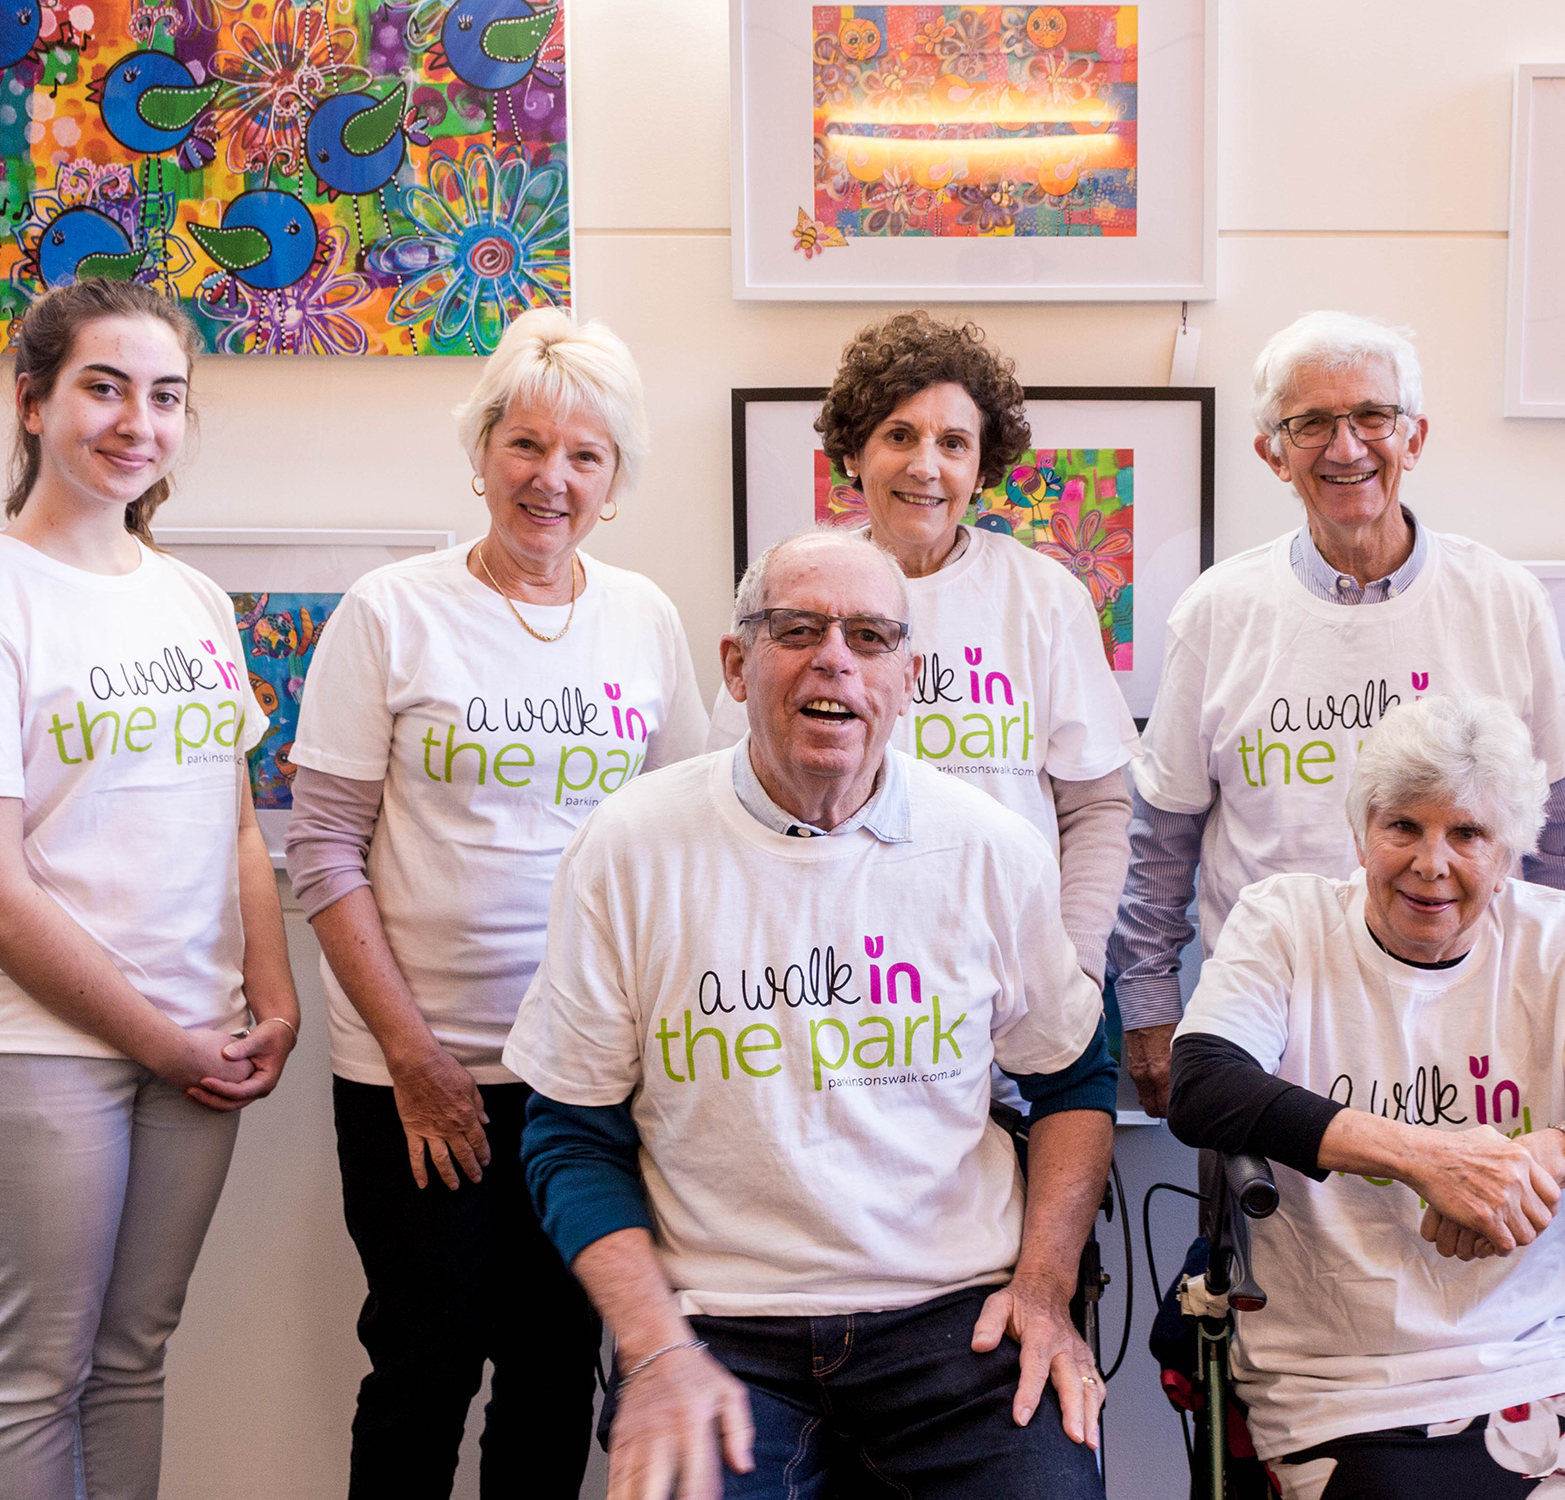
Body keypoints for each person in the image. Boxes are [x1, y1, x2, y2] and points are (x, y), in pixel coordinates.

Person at [507, 528, 1117, 1498]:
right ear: (735, 665)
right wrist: (651, 1344)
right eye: (797, 630)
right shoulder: (629, 848)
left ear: (907, 677)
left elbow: (1074, 1078)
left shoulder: (990, 851)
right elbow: (570, 1133)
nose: (836, 658)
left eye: (870, 637)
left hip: (952, 1319)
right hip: (717, 1325)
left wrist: (1043, 1288)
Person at [285, 309, 708, 1498]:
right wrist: (414, 1058)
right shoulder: (391, 612)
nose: (550, 477)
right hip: (421, 1077)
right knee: (422, 1364)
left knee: (555, 1368)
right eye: (525, 443)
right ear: (481, 453)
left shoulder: (642, 618)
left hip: (588, 1077)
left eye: (584, 454)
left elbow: (682, 839)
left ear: (614, 480)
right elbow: (323, 852)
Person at [1169, 695, 1565, 1500]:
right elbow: (1203, 1083)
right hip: (1338, 1375)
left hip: (1537, 1356)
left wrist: (1546, 1156)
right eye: (1403, 826)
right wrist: (1428, 1160)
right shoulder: (1285, 925)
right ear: (1360, 834)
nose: (1431, 863)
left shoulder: (1562, 940)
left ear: (1508, 854)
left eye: (1467, 833)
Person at [1113, 310, 1565, 1117]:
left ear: (1414, 437)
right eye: (1310, 423)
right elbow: (1162, 838)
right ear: (1274, 454)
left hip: (1486, 1032)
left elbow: (1563, 838)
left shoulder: (1503, 601)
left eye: (1373, 416)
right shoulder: (1216, 613)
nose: (1346, 448)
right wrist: (1149, 1007)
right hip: (1272, 1030)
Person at [0, 279, 301, 1497]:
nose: (137, 422)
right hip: (48, 1045)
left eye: (165, 396)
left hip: (201, 1041)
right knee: (36, 1376)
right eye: (104, 388)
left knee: (133, 1358)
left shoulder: (189, 597)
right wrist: (159, 1038)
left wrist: (273, 1000)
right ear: (32, 401)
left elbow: (236, 825)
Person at [709, 311, 1137, 989]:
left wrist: (1074, 962)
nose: (925, 466)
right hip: (829, 972)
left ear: (981, 466)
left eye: (954, 443)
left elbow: (1095, 807)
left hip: (1010, 968)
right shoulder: (795, 586)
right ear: (854, 454)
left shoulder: (1044, 596)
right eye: (899, 435)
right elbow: (730, 792)